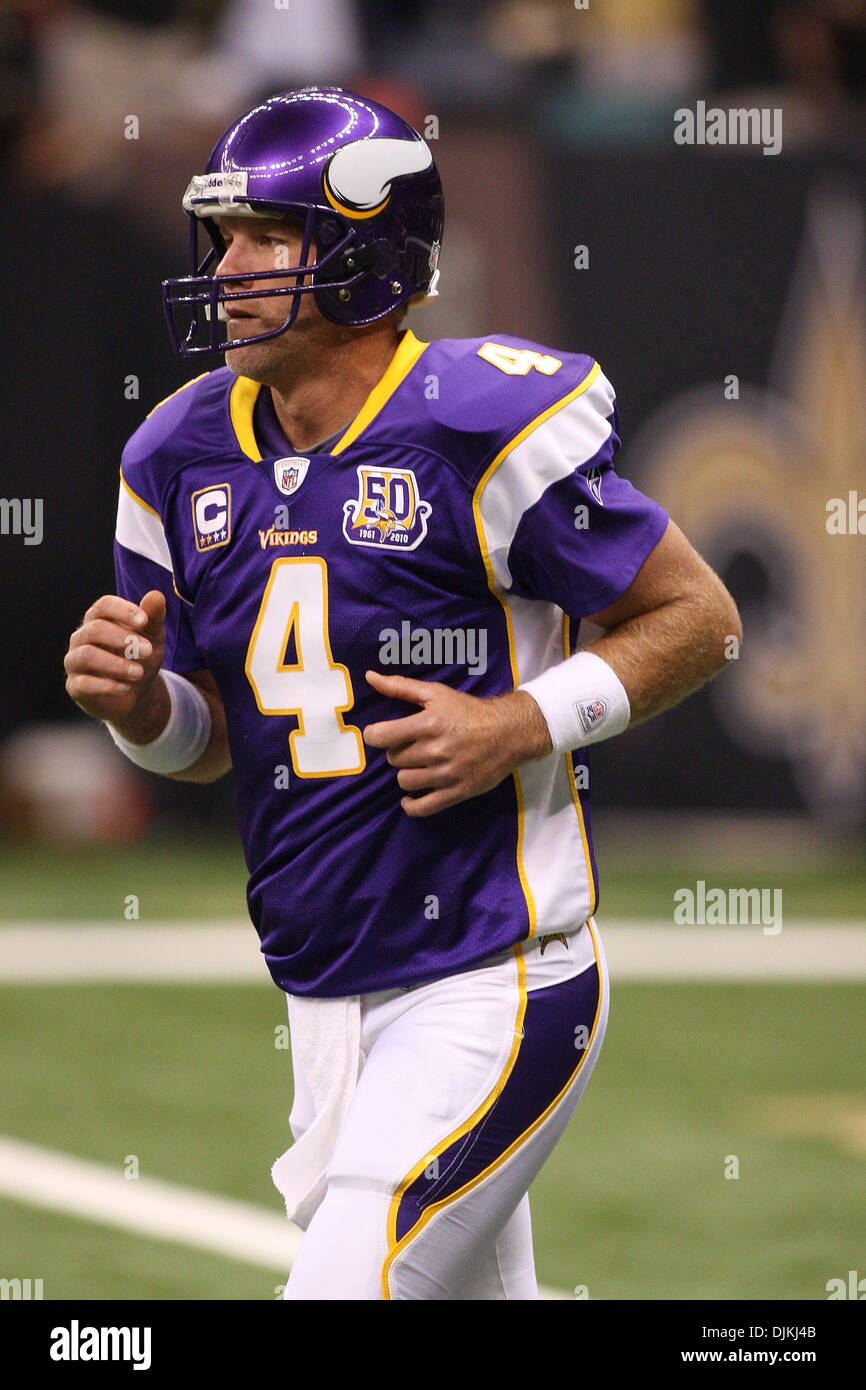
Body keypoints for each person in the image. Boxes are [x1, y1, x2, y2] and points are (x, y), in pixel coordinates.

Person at [64, 86, 742, 1300]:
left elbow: (699, 618)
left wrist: (522, 721)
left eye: (267, 237)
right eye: (223, 236)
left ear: (365, 257)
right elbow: (216, 741)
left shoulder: (472, 424)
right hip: (323, 990)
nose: (228, 267)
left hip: (493, 973)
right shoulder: (178, 454)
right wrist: (138, 709)